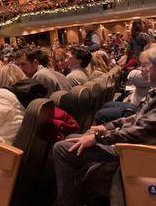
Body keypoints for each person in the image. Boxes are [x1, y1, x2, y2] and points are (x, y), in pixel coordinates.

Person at [53, 46, 156, 206]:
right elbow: (136, 119)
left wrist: (99, 137)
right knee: (73, 138)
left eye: (145, 65)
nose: (141, 70)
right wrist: (106, 127)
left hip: (137, 152)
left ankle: (67, 202)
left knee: (61, 148)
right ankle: (80, 193)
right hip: (133, 144)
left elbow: (141, 131)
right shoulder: (153, 90)